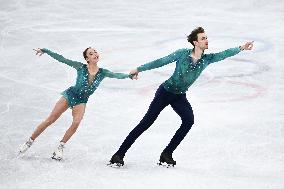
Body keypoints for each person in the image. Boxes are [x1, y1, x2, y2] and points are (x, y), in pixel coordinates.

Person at [109, 27, 254, 167]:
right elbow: (161, 61)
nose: (207, 40)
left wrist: (241, 47)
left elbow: (224, 53)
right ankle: (119, 154)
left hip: (179, 96)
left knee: (188, 120)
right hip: (165, 93)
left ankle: (167, 153)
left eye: (206, 38)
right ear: (195, 43)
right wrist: (139, 68)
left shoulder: (207, 59)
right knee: (146, 123)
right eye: (203, 38)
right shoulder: (182, 54)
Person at [19, 47, 134, 160]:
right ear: (87, 58)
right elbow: (62, 59)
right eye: (91, 53)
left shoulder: (103, 72)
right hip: (70, 95)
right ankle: (29, 142)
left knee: (76, 122)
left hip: (81, 100)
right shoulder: (80, 67)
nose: (95, 54)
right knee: (50, 120)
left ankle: (60, 147)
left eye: (95, 52)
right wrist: (46, 51)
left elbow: (117, 75)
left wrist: (129, 76)